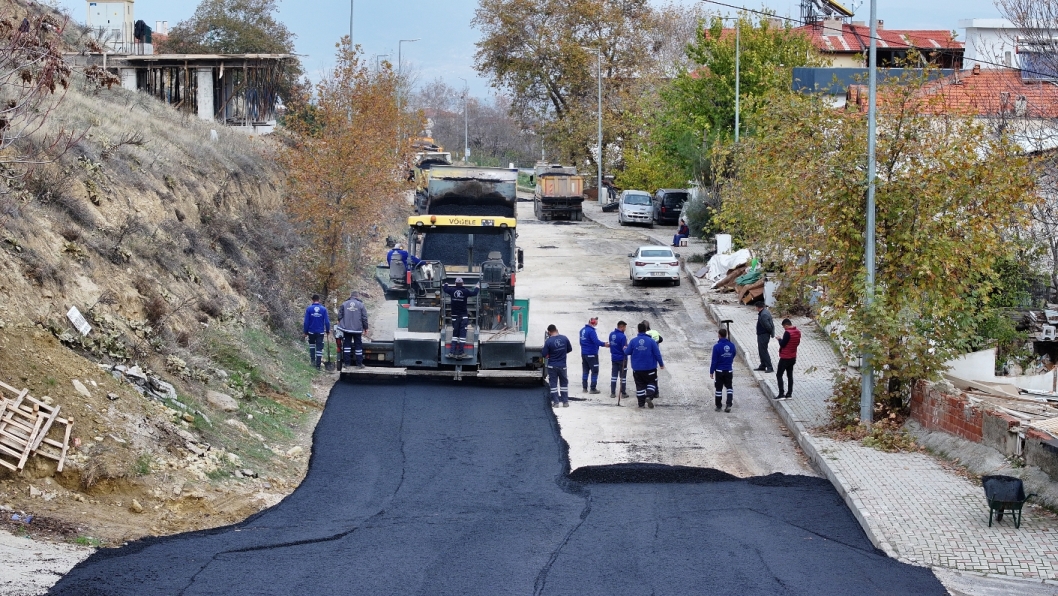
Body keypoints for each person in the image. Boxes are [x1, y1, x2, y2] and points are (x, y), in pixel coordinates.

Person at [624, 322, 665, 408]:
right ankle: (649, 396)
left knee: (640, 386)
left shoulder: (633, 341)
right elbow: (657, 354)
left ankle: (641, 404)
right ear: (646, 330)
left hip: (637, 369)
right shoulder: (651, 341)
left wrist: (624, 348)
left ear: (638, 330)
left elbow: (627, 352)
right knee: (652, 382)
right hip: (650, 368)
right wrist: (661, 364)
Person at [442, 278, 480, 359]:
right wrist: (477, 287)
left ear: (455, 283)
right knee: (462, 335)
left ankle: (451, 352)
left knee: (455, 334)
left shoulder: (452, 291)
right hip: (463, 316)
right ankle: (461, 352)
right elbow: (474, 293)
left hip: (454, 316)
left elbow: (445, 289)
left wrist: (446, 284)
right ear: (463, 283)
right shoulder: (465, 291)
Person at [542, 324, 573, 407]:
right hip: (562, 366)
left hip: (552, 366)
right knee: (564, 384)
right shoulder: (564, 338)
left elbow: (544, 354)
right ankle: (565, 402)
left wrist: (550, 354)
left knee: (553, 384)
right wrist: (561, 353)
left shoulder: (548, 341)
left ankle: (556, 402)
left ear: (549, 332)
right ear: (556, 329)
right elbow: (570, 349)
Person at [337, 291, 369, 369]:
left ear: (350, 296)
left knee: (346, 346)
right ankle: (359, 364)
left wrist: (341, 322)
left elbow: (340, 315)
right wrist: (366, 328)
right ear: (357, 296)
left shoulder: (344, 304)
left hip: (346, 329)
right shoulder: (361, 305)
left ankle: (347, 364)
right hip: (357, 329)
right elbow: (364, 317)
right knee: (358, 346)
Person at [710, 328, 737, 413]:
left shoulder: (716, 347)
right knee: (729, 387)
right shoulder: (732, 345)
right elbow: (734, 354)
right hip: (729, 370)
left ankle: (718, 406)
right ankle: (729, 404)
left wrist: (711, 371)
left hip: (719, 371)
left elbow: (714, 360)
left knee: (718, 388)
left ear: (719, 335)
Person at [579, 317, 609, 394]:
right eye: (596, 323)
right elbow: (596, 341)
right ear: (593, 323)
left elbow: (581, 342)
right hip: (592, 354)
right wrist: (604, 344)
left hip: (584, 354)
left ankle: (584, 388)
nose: (597, 325)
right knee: (595, 371)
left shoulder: (582, 330)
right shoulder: (591, 331)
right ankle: (593, 388)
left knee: (585, 371)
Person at [775, 318, 802, 399]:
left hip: (785, 357)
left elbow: (783, 344)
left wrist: (779, 339)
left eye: (784, 327)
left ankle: (781, 394)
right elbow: (796, 343)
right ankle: (789, 393)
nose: (784, 328)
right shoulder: (798, 332)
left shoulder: (787, 332)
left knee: (779, 375)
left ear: (786, 325)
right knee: (790, 375)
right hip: (793, 356)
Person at [302, 294, 330, 370]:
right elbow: (327, 322)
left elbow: (306, 322)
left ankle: (312, 361)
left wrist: (305, 331)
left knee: (312, 346)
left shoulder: (309, 309)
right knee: (319, 348)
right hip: (320, 332)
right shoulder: (323, 309)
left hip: (311, 331)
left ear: (312, 300)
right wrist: (327, 330)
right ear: (319, 300)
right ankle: (318, 365)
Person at [608, 321, 629, 399]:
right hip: (622, 359)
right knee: (623, 377)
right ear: (622, 327)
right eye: (625, 327)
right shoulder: (622, 337)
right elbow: (625, 349)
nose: (625, 329)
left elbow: (611, 345)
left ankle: (613, 393)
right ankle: (623, 393)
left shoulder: (611, 334)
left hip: (614, 358)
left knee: (614, 376)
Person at [755, 301, 774, 373]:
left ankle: (769, 367)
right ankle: (763, 365)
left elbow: (768, 326)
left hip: (764, 335)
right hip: (761, 334)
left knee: (764, 351)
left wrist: (769, 333)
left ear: (758, 307)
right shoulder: (763, 312)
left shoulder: (764, 314)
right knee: (761, 350)